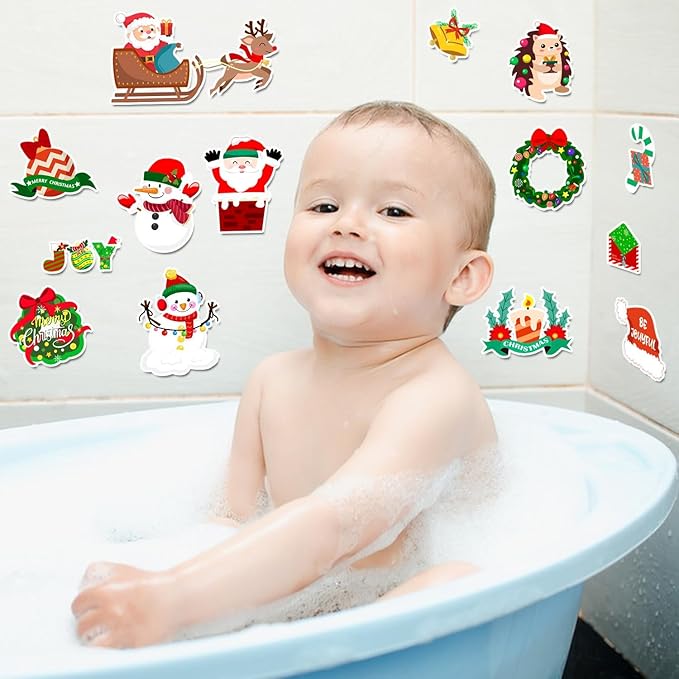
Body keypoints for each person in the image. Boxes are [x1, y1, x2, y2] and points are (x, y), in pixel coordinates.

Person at [71, 100, 498, 648]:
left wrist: (173, 598)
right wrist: (165, 576)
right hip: (290, 610)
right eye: (324, 204)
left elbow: (339, 524)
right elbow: (229, 521)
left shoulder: (436, 396)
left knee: (458, 584)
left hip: (387, 628)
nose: (346, 224)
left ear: (463, 277)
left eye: (393, 211)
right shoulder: (271, 381)